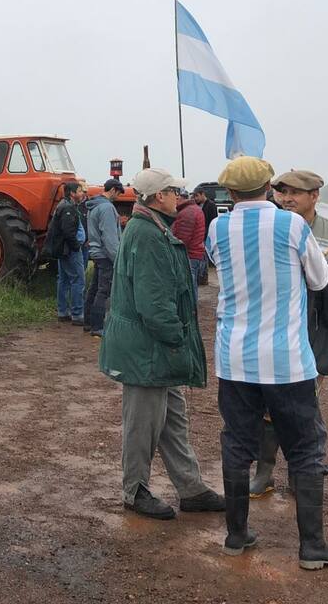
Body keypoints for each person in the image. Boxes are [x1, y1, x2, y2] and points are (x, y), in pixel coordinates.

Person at [204, 157, 328, 569]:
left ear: (229, 193)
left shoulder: (219, 227)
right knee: (305, 448)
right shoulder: (293, 226)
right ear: (270, 186)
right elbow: (319, 281)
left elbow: (217, 266)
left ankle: (236, 535)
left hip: (234, 359)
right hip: (287, 360)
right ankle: (312, 547)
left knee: (237, 442)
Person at [99, 168, 225, 520]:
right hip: (147, 350)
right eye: (172, 191)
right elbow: (154, 305)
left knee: (172, 420)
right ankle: (134, 491)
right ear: (157, 197)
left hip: (152, 349)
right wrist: (177, 339)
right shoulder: (148, 235)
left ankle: (191, 487)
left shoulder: (151, 227)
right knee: (143, 425)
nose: (178, 196)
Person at [247, 170, 328, 497]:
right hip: (274, 329)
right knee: (269, 404)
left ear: (315, 196)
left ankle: (305, 475)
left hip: (314, 335)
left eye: (295, 193)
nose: (287, 198)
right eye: (282, 192)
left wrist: (323, 271)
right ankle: (265, 473)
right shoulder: (268, 228)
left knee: (303, 405)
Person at [84, 179, 123, 337]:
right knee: (103, 291)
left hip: (96, 252)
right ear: (113, 190)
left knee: (94, 289)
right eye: (118, 193)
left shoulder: (93, 206)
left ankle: (88, 321)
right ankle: (98, 326)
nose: (118, 197)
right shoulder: (107, 207)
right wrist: (117, 259)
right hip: (106, 255)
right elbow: (109, 238)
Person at [48, 183, 87, 326]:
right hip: (70, 251)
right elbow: (68, 231)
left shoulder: (63, 205)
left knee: (63, 280)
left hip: (63, 250)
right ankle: (77, 314)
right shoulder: (68, 208)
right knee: (78, 280)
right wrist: (76, 246)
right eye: (79, 191)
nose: (82, 193)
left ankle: (63, 312)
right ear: (72, 193)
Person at [171, 189, 206, 303]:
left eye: (175, 199)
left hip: (189, 255)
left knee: (189, 287)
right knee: (193, 284)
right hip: (196, 254)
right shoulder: (194, 209)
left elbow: (182, 240)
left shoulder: (187, 213)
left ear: (181, 198)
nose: (174, 201)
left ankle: (190, 311)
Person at [192, 187, 219, 285]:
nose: (195, 198)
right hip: (200, 234)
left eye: (197, 196)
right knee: (202, 257)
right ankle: (202, 277)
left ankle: (203, 277)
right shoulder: (197, 205)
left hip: (206, 233)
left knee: (204, 257)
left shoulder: (211, 205)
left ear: (202, 194)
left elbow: (213, 220)